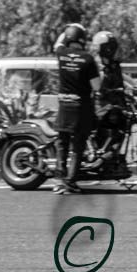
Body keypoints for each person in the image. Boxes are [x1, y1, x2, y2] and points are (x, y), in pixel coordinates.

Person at [51, 23, 98, 194]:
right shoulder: (87, 59)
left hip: (64, 105)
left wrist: (65, 31)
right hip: (81, 107)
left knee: (62, 144)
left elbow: (57, 44)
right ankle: (71, 182)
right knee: (77, 146)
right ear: (82, 40)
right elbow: (97, 86)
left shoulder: (61, 54)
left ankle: (58, 181)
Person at [89, 31, 129, 164]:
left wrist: (125, 101)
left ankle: (112, 156)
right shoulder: (95, 65)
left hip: (113, 106)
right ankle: (101, 157)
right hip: (99, 107)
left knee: (124, 124)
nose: (112, 50)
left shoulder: (114, 65)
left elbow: (120, 85)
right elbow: (96, 88)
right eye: (109, 47)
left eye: (113, 46)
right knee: (110, 125)